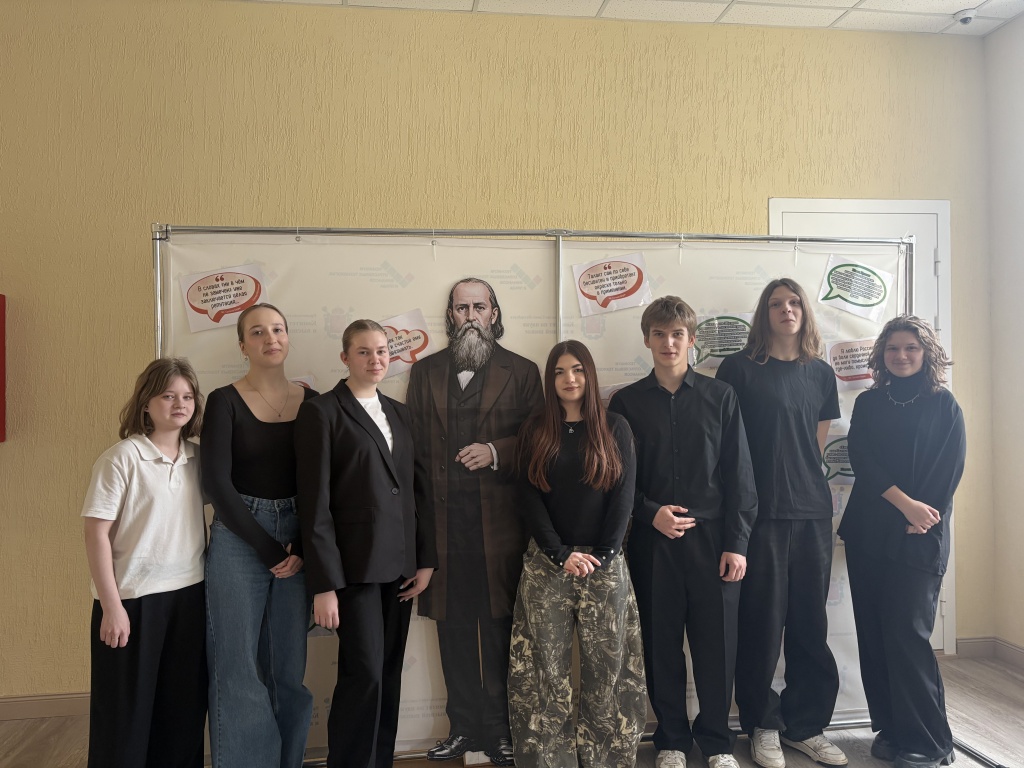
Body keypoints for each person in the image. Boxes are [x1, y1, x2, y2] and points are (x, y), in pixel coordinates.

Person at [608, 296, 757, 768]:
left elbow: (741, 477)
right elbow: (616, 480)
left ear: (692, 340)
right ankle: (671, 739)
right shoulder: (626, 403)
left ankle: (717, 742)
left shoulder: (721, 397)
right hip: (652, 543)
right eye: (659, 334)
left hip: (713, 544)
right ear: (646, 339)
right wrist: (650, 513)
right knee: (660, 645)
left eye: (677, 335)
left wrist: (737, 544)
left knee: (717, 648)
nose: (668, 343)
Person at [406, 277, 543, 765]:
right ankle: (462, 728)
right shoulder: (424, 372)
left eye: (478, 307)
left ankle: (502, 731)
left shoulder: (522, 371)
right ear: (450, 315)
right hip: (443, 529)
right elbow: (414, 450)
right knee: (454, 633)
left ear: (493, 313)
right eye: (461, 308)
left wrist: (496, 451)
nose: (470, 316)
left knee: (503, 632)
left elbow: (541, 442)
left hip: (501, 530)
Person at [715, 278, 847, 768]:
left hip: (812, 513)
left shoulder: (821, 373)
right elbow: (728, 447)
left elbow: (815, 445)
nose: (786, 310)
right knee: (762, 627)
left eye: (794, 303)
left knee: (810, 625)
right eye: (776, 304)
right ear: (764, 313)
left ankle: (805, 726)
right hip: (759, 516)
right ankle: (762, 725)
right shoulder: (738, 369)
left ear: (805, 311)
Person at [296, 319, 437, 768]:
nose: (375, 360)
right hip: (353, 570)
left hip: (401, 567)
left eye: (382, 351)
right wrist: (323, 584)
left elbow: (417, 490)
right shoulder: (322, 412)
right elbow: (314, 503)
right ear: (345, 357)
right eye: (364, 352)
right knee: (366, 675)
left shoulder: (400, 412)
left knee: (389, 674)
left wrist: (426, 559)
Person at [508, 340, 646, 768]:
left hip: (605, 564)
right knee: (542, 671)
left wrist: (603, 554)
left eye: (578, 370)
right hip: (547, 565)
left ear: (589, 374)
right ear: (550, 380)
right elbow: (527, 498)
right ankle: (548, 760)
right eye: (559, 372)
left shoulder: (616, 427)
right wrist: (559, 553)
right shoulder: (534, 430)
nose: (569, 379)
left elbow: (624, 498)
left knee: (609, 671)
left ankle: (606, 759)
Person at [839, 316, 965, 768]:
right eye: (893, 348)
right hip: (869, 532)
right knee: (874, 635)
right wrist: (904, 504)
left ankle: (932, 743)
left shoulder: (944, 404)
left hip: (920, 534)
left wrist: (919, 514)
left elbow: (949, 469)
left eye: (911, 347)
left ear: (926, 352)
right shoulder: (870, 402)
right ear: (882, 355)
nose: (901, 355)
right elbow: (862, 458)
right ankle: (892, 730)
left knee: (908, 636)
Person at [202, 303, 317, 768]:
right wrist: (269, 549)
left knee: (288, 670)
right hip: (239, 537)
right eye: (257, 332)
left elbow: (324, 483)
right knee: (238, 668)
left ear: (288, 337)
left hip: (299, 539)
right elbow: (216, 485)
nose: (270, 338)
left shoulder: (314, 401)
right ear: (242, 345)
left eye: (278, 329)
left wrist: (303, 546)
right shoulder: (223, 401)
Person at [82, 357, 207, 768]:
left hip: (190, 597)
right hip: (133, 601)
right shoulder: (121, 458)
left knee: (183, 713)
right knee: (125, 717)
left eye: (187, 396)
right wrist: (112, 606)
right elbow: (96, 535)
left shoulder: (198, 459)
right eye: (168, 395)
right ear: (146, 403)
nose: (179, 404)